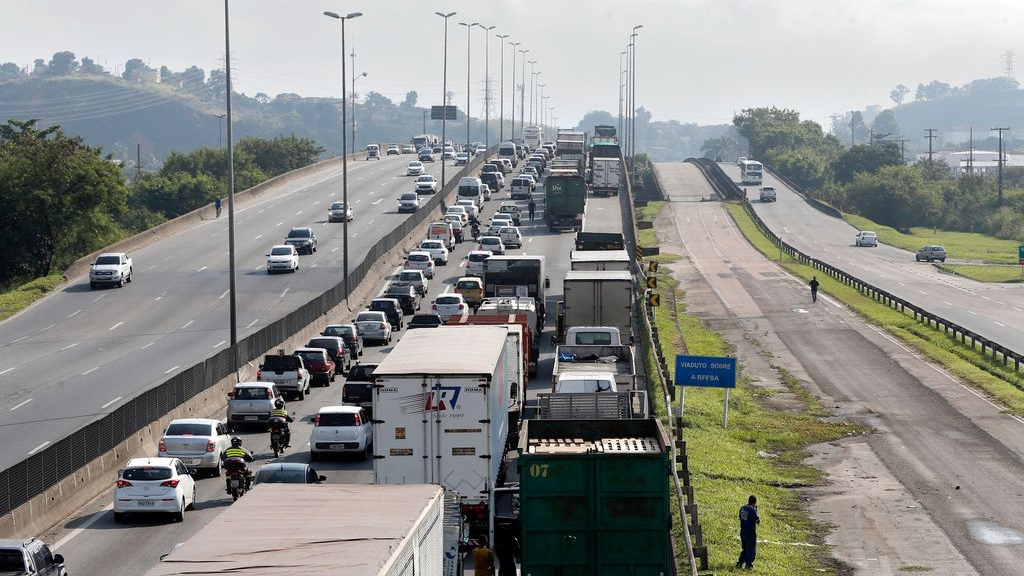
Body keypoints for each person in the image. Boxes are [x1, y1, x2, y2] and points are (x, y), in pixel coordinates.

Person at [735, 495, 761, 570]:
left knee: (745, 549)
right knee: (751, 551)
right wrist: (755, 510)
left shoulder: (743, 508)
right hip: (750, 533)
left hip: (743, 532)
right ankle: (748, 566)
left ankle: (739, 563)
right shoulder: (752, 510)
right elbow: (758, 521)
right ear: (754, 502)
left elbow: (740, 517)